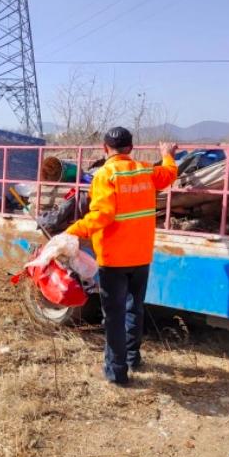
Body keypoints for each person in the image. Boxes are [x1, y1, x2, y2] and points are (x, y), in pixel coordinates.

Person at [64, 127, 178, 385]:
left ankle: (116, 372)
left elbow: (102, 215)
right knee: (134, 308)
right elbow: (169, 173)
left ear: (105, 149)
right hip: (140, 255)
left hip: (113, 259)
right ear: (131, 148)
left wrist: (71, 232)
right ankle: (131, 357)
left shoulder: (105, 174)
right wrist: (167, 154)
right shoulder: (146, 170)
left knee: (113, 315)